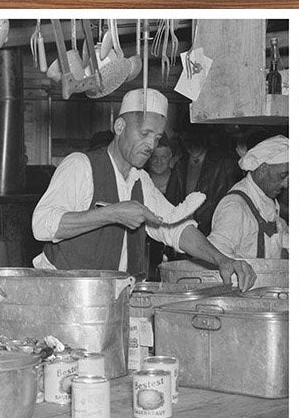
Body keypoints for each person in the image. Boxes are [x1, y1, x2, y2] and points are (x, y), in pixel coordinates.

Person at [31, 88, 256, 290]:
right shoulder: (81, 166)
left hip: (113, 295)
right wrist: (112, 213)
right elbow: (42, 225)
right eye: (145, 134)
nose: (151, 145)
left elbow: (173, 227)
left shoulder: (141, 180)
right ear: (119, 127)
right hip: (62, 291)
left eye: (157, 138)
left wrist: (222, 259)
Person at [208, 135, 289, 260]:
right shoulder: (235, 207)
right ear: (262, 169)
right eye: (282, 176)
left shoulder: (267, 200)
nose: (286, 184)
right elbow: (218, 255)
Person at [164, 124, 240, 236]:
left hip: (216, 234)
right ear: (181, 138)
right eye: (187, 139)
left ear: (206, 138)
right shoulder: (180, 164)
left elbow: (234, 203)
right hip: (186, 234)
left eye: (197, 139)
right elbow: (170, 203)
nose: (192, 144)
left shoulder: (225, 162)